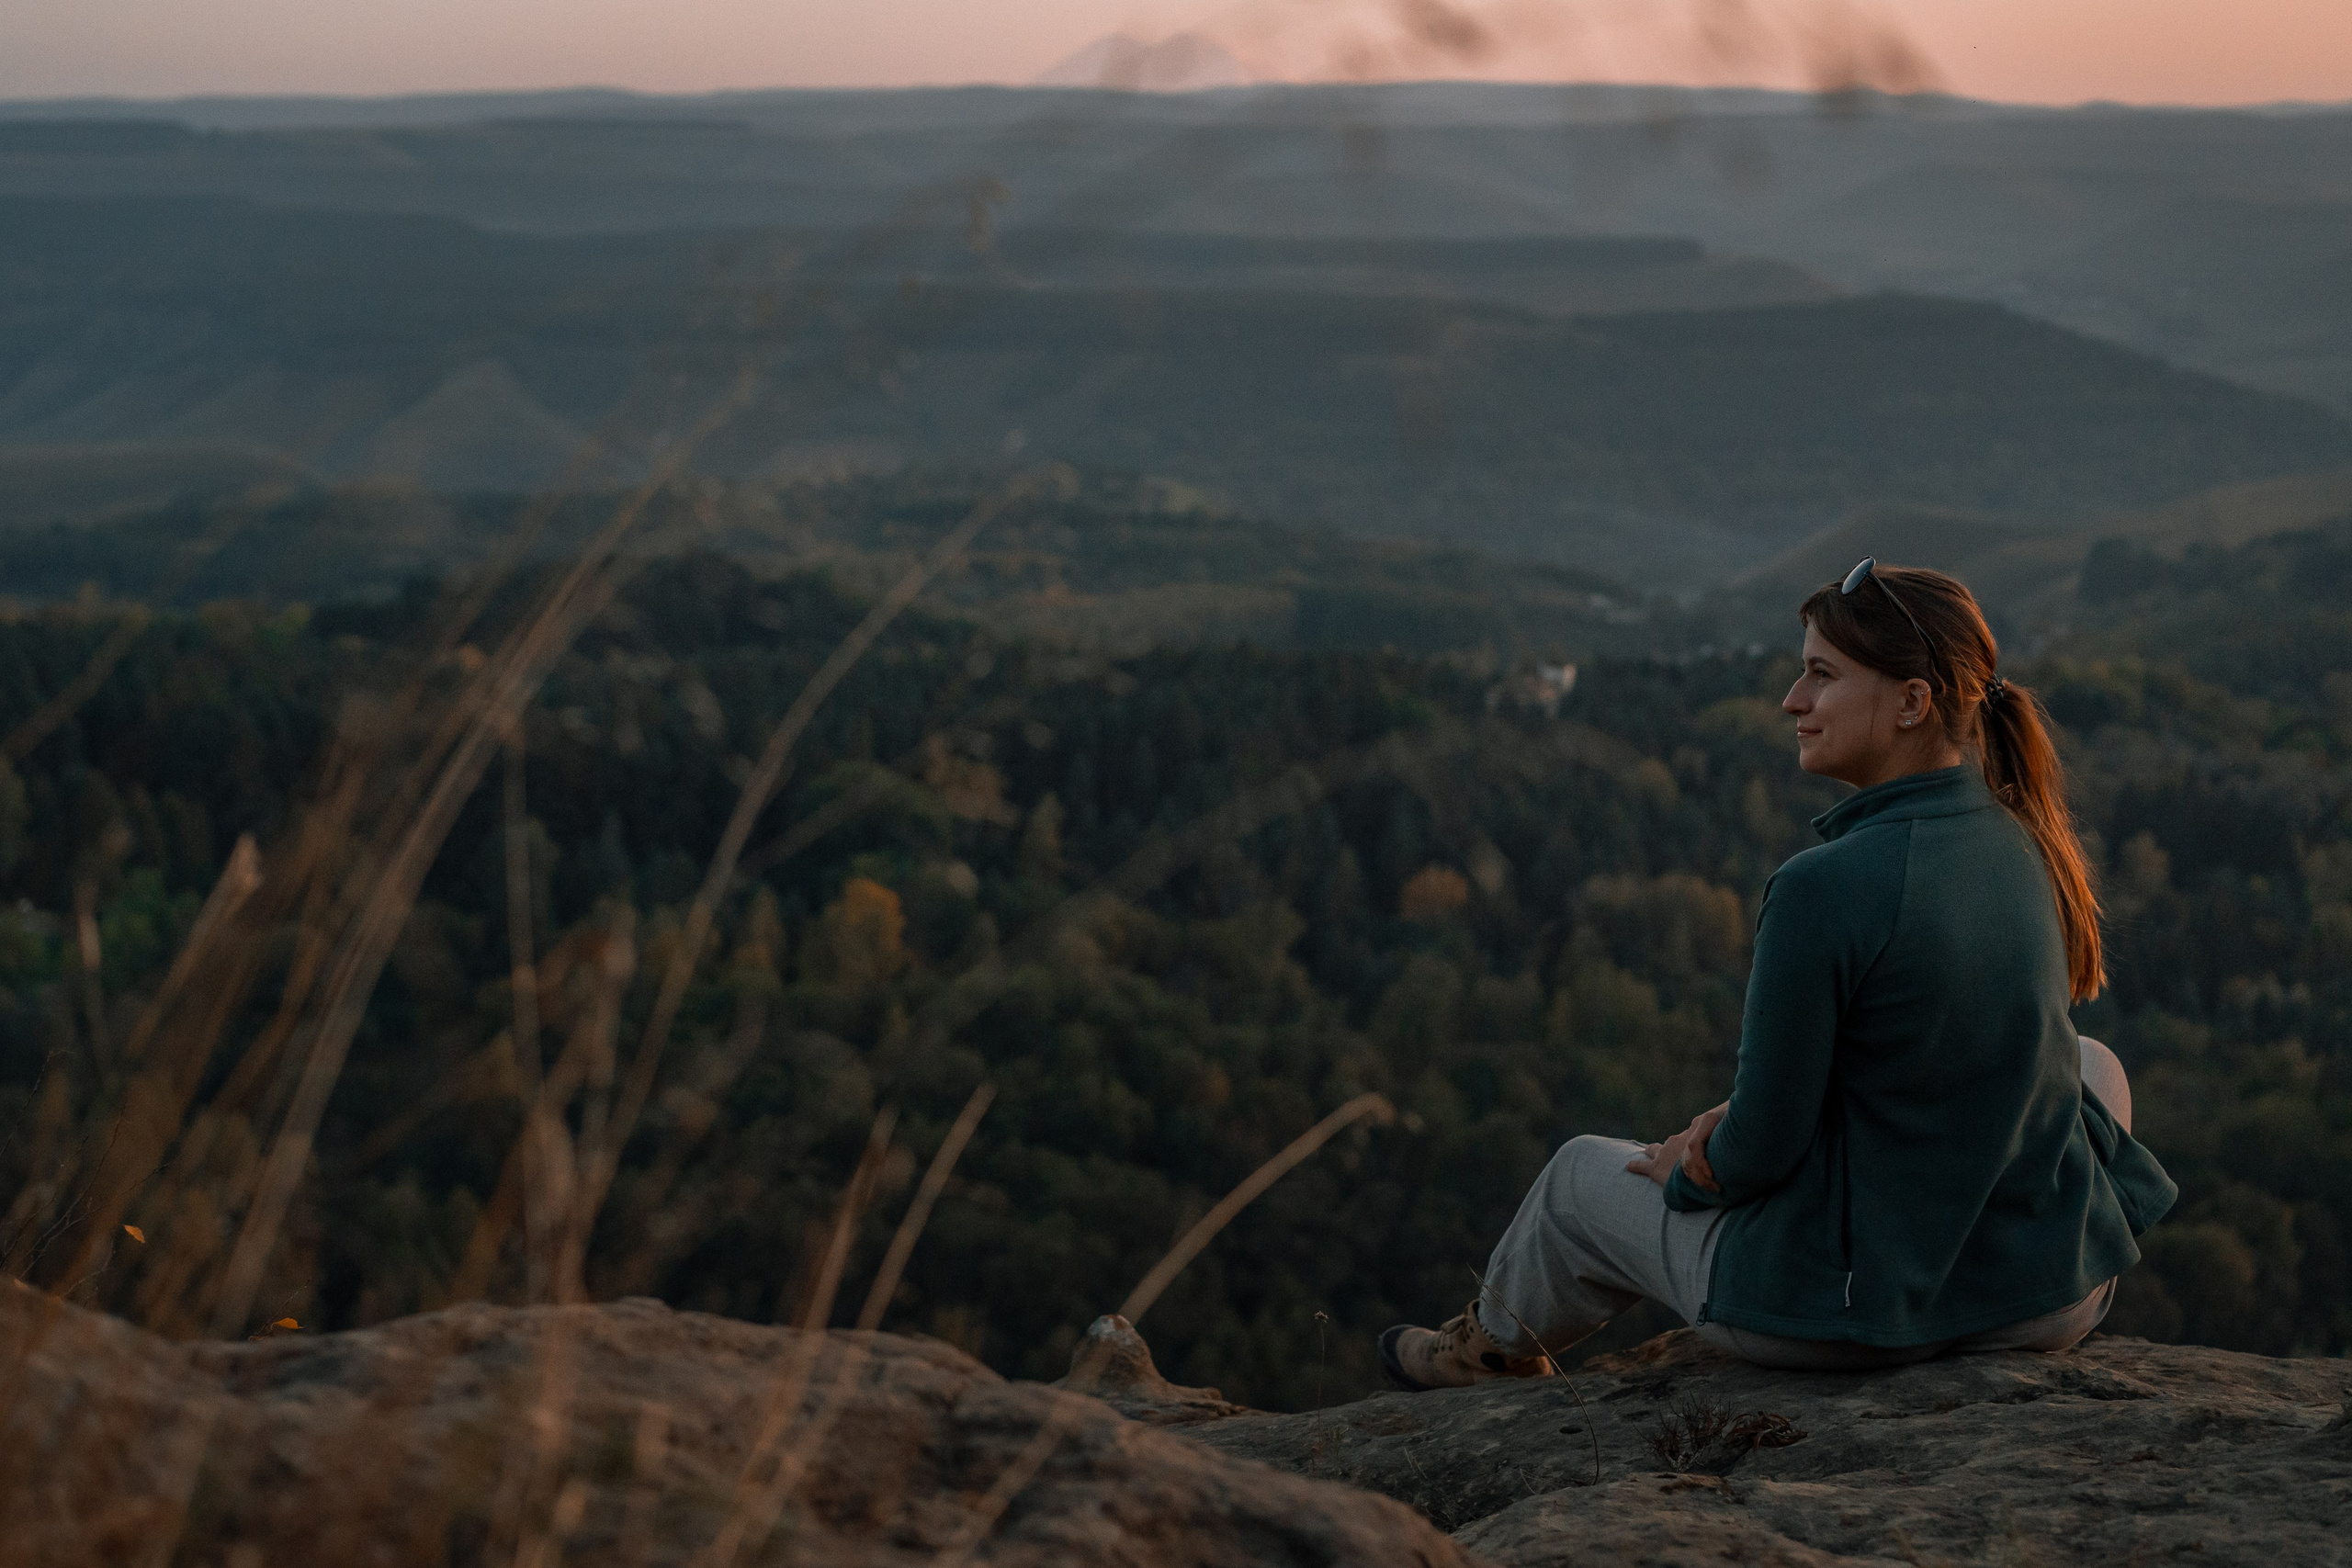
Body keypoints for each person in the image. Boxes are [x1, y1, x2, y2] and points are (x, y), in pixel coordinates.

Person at [1382, 558, 2177, 1384]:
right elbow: (1911, 1055)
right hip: (2047, 1301)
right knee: (2090, 1062)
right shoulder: (2024, 842)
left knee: (1580, 1176)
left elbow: (1763, 1149)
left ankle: (1483, 1351)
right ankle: (1999, 1283)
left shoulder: (1818, 889)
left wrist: (1690, 1165)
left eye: (1821, 675)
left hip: (1850, 1317)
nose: (1793, 700)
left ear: (1913, 701)